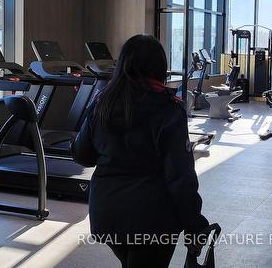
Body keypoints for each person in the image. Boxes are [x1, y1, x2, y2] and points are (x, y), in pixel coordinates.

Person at [72, 34, 209, 268]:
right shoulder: (168, 108)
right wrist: (195, 224)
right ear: (160, 66)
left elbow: (82, 155)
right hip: (152, 218)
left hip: (107, 213)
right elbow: (180, 176)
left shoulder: (102, 102)